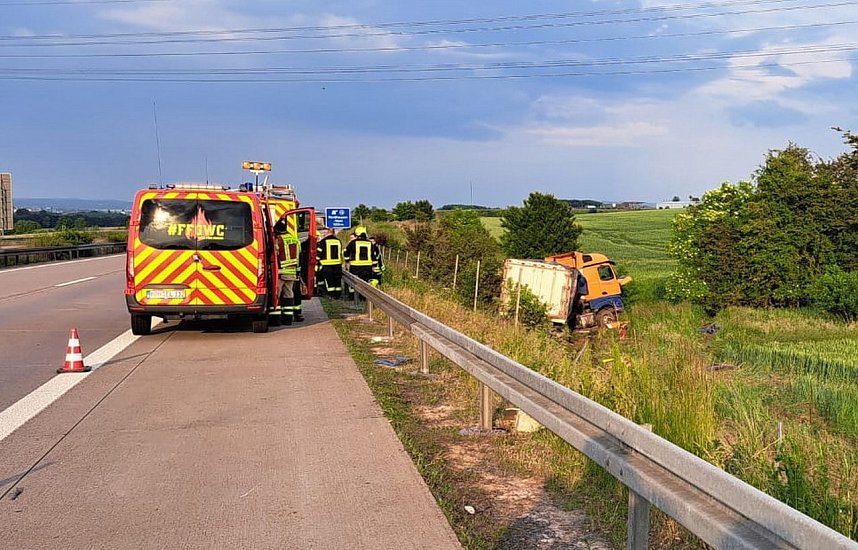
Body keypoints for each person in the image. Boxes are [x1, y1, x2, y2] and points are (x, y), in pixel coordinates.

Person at [274, 220, 299, 325]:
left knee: (277, 295)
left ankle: (276, 320)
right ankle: (288, 319)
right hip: (292, 272)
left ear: (277, 230)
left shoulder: (278, 240)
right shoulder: (294, 239)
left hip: (281, 272)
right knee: (289, 294)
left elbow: (275, 254)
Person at [344, 226, 381, 296]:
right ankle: (363, 297)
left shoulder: (353, 242)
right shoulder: (369, 243)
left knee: (353, 282)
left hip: (355, 266)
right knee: (365, 282)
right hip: (367, 266)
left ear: (357, 234)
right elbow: (373, 256)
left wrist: (347, 260)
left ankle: (353, 296)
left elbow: (346, 252)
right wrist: (374, 266)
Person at [316, 228, 344, 298]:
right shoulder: (338, 241)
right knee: (337, 281)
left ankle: (331, 295)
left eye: (325, 233)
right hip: (337, 265)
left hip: (327, 265)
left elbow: (318, 253)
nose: (324, 234)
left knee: (329, 281)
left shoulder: (323, 241)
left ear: (328, 232)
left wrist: (317, 261)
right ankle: (338, 295)